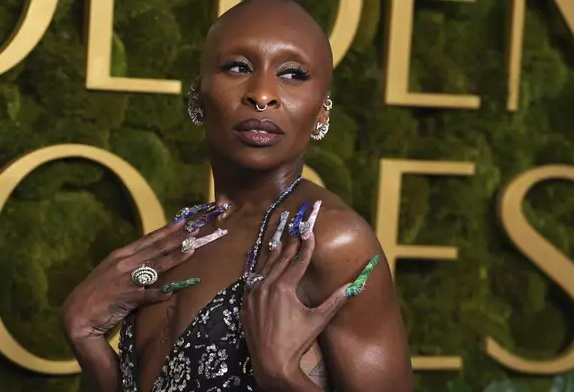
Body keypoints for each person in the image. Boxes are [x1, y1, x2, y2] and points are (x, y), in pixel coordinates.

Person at [61, 0, 414, 391]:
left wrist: (283, 376)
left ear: (322, 112)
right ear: (198, 95)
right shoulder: (189, 230)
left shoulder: (327, 241)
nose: (262, 94)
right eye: (238, 67)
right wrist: (86, 337)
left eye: (293, 74)